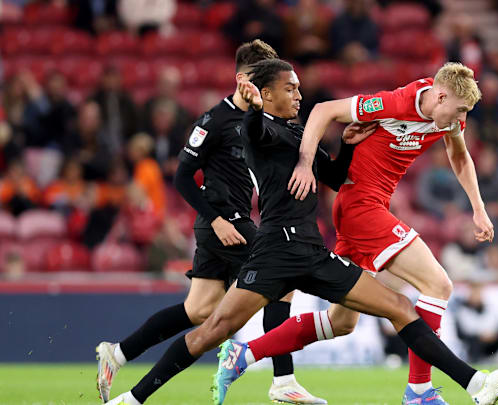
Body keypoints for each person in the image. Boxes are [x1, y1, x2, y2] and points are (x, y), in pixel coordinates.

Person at [104, 59, 498, 405]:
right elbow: (255, 132)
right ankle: (134, 399)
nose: (300, 95)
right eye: (291, 89)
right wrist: (253, 112)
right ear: (265, 95)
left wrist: (346, 144)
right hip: (274, 250)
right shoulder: (260, 130)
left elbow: (334, 174)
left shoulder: (292, 131)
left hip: (309, 251)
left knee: (387, 310)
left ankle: (467, 385)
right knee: (207, 329)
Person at [95, 40, 329, 405]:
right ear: (242, 79)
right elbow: (183, 177)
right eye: (259, 78)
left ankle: (119, 356)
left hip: (232, 222)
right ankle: (283, 381)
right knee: (283, 278)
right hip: (224, 223)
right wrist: (216, 218)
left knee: (199, 310)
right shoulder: (215, 121)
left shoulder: (264, 122)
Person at [249, 62, 497, 405]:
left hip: (365, 208)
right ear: (440, 96)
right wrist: (306, 163)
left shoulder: (451, 113)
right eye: (457, 110)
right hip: (361, 207)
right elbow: (323, 110)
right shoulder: (395, 103)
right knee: (438, 285)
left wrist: (478, 208)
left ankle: (242, 355)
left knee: (341, 322)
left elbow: (459, 154)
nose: (459, 120)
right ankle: (420, 392)